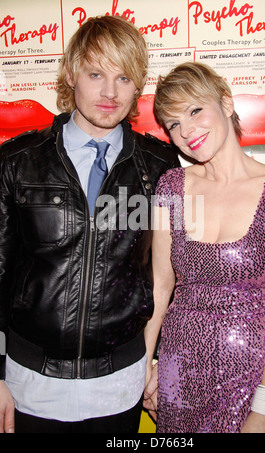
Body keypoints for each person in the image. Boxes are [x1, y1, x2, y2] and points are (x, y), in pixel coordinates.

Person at [0, 16, 180, 433]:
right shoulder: (17, 162)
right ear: (70, 73)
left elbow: (166, 276)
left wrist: (156, 361)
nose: (110, 92)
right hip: (30, 383)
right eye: (96, 73)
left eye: (124, 77)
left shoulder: (160, 167)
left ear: (138, 86)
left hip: (122, 382)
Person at [143, 62, 265, 433]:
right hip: (177, 378)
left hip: (252, 380)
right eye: (174, 124)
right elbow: (160, 289)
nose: (187, 131)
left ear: (226, 104)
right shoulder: (171, 186)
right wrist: (143, 370)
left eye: (194, 110)